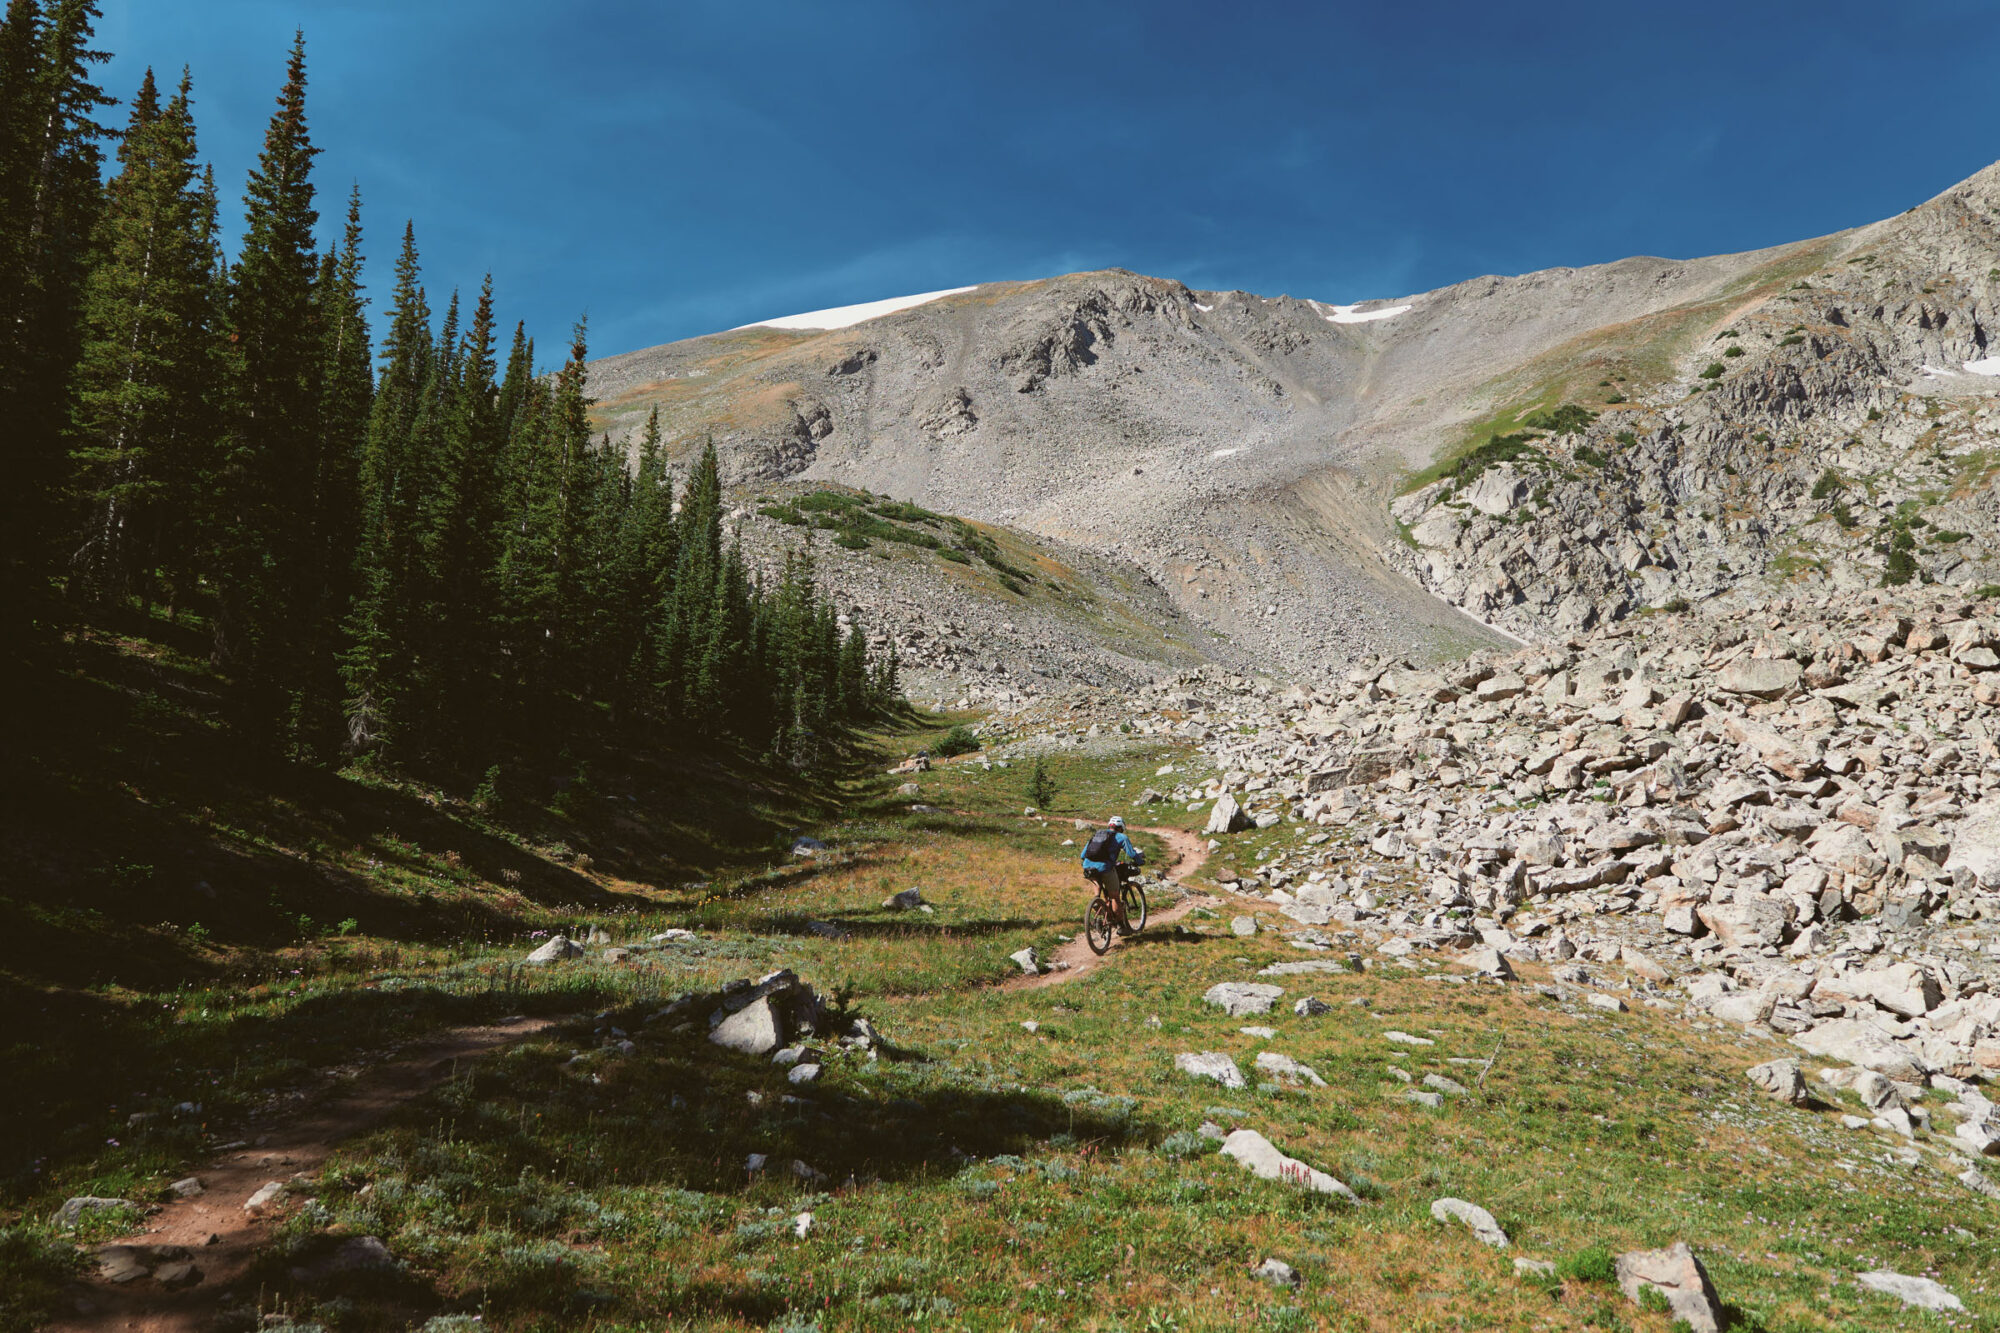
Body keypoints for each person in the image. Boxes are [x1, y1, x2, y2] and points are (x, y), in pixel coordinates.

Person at [1080, 815, 1143, 925]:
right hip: (1105, 868)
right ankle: (1121, 926)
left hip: (1088, 867)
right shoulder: (1121, 837)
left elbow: (1082, 855)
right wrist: (1140, 861)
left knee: (1097, 882)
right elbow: (1132, 853)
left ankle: (1097, 900)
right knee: (1114, 897)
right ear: (1121, 828)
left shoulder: (1098, 834)